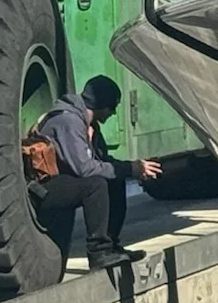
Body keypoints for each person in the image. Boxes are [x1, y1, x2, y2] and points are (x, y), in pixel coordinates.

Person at [30, 76, 161, 271]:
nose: (113, 113)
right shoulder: (68, 121)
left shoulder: (88, 124)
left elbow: (102, 161)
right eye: (112, 107)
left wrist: (131, 168)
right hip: (43, 188)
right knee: (96, 184)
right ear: (102, 105)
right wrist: (129, 168)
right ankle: (98, 252)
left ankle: (111, 246)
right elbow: (85, 169)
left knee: (114, 180)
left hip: (65, 181)